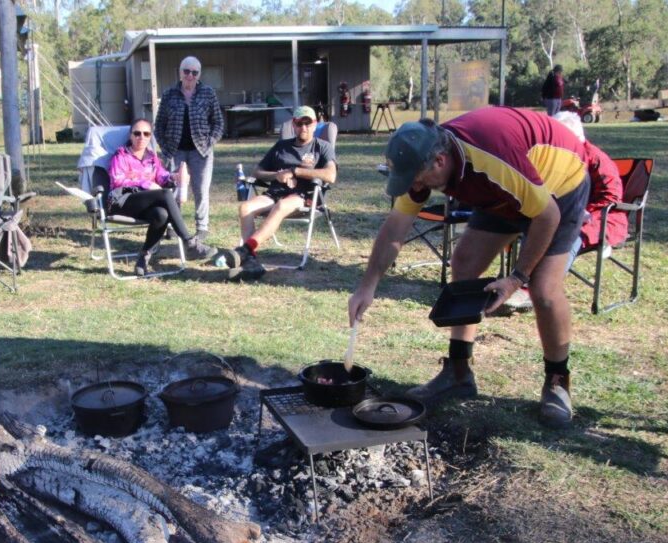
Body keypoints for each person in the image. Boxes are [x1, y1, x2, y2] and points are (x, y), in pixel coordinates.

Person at [348, 108, 590, 427]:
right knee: (464, 263)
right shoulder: (426, 160)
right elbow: (396, 227)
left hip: (559, 186)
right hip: (504, 194)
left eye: (418, 179)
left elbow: (547, 216)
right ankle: (458, 372)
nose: (417, 187)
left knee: (544, 289)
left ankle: (557, 381)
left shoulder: (491, 158)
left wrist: (517, 278)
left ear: (439, 162)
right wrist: (368, 285)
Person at [505, 111, 627, 310]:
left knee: (568, 235)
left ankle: (535, 290)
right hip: (559, 213)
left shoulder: (597, 159)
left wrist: (583, 213)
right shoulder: (553, 157)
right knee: (537, 224)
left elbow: (611, 197)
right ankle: (516, 281)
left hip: (600, 219)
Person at [224, 106, 337, 281]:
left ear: (315, 124)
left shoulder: (322, 147)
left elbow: (330, 175)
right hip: (275, 193)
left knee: (282, 205)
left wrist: (295, 171)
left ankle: (246, 249)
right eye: (299, 123)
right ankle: (251, 261)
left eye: (308, 123)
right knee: (245, 207)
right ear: (294, 124)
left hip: (303, 197)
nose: (303, 127)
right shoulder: (281, 146)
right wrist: (277, 175)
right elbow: (257, 172)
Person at [107, 119, 217, 276]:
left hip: (143, 204)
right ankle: (189, 243)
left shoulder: (151, 158)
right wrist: (145, 184)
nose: (141, 137)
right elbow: (118, 180)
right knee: (164, 194)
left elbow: (162, 177)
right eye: (137, 133)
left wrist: (175, 178)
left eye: (146, 134)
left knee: (161, 214)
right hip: (121, 201)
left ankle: (143, 259)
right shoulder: (121, 155)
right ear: (131, 136)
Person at [153, 56, 224, 242]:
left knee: (201, 189)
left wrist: (210, 142)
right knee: (173, 189)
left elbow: (218, 122)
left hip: (201, 150)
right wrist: (164, 146)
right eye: (186, 71)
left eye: (194, 72)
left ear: (199, 74)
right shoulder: (169, 94)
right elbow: (159, 124)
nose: (190, 76)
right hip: (174, 150)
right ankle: (172, 225)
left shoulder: (208, 93)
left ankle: (202, 227)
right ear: (180, 72)